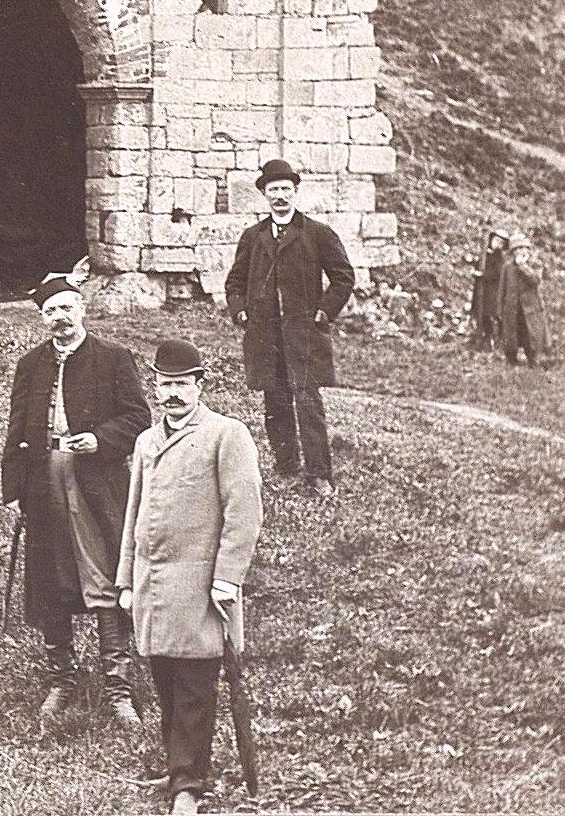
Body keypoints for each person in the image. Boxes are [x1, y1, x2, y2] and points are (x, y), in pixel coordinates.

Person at [0, 258, 150, 731]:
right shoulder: (31, 364)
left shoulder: (112, 357)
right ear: (43, 318)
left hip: (96, 486)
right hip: (45, 485)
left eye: (67, 307)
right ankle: (60, 679)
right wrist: (17, 486)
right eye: (51, 311)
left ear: (82, 308)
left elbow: (138, 418)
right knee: (51, 580)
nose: (60, 317)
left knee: (104, 575)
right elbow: (18, 426)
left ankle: (118, 686)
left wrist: (101, 439)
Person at [117, 338, 264, 816]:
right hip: (152, 588)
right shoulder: (145, 441)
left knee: (196, 688)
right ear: (155, 387)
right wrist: (124, 579)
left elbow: (243, 513)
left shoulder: (227, 435)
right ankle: (181, 768)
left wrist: (227, 579)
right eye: (165, 384)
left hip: (200, 589)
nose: (173, 393)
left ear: (200, 385)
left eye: (182, 384)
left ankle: (189, 785)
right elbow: (133, 513)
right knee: (164, 683)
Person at [224, 158, 355, 498]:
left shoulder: (317, 233)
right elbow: (234, 282)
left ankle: (319, 473)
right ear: (264, 195)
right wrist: (240, 311)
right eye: (273, 190)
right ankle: (286, 466)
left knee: (307, 401)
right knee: (275, 400)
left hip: (303, 334)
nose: (280, 196)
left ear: (296, 192)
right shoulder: (253, 237)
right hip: (266, 336)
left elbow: (343, 277)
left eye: (285, 189)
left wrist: (324, 312)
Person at [498, 230, 551, 368]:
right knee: (511, 336)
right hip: (512, 308)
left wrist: (523, 266)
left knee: (531, 335)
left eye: (524, 248)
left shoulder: (535, 264)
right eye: (517, 249)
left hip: (531, 308)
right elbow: (502, 290)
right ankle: (511, 360)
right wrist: (499, 310)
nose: (521, 251)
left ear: (528, 249)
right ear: (513, 251)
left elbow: (536, 280)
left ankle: (533, 360)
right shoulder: (507, 267)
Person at [469, 226, 509, 350]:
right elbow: (479, 265)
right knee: (478, 312)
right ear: (491, 240)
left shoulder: (499, 258)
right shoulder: (484, 253)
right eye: (497, 240)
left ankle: (490, 339)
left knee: (488, 314)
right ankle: (478, 337)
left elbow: (497, 274)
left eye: (501, 243)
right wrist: (474, 267)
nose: (498, 244)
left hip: (491, 291)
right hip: (481, 290)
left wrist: (483, 275)